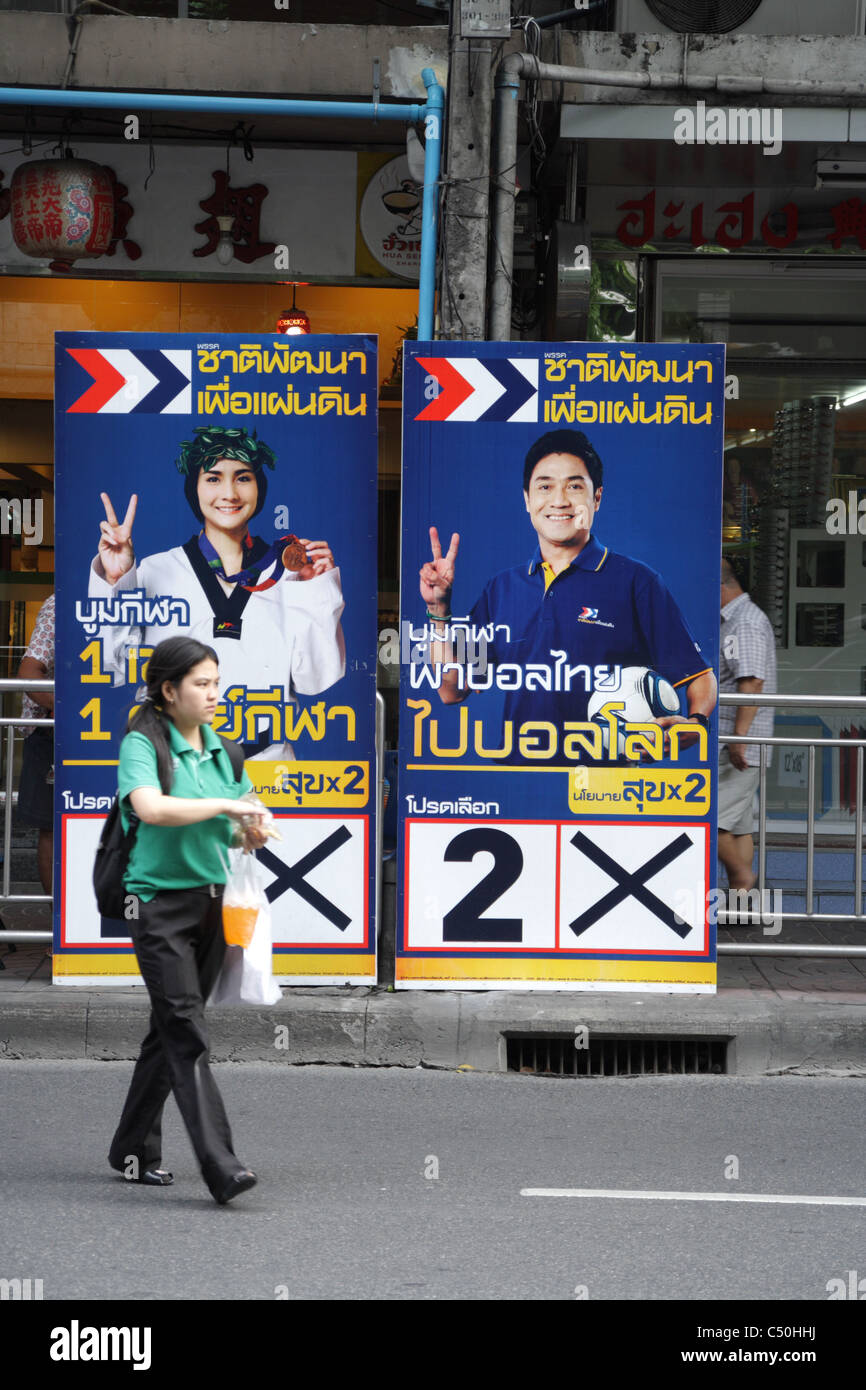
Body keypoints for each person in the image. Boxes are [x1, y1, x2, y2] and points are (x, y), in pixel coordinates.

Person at [418, 429, 716, 757]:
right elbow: (451, 691)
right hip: (517, 786)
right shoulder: (502, 590)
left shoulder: (636, 582)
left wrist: (695, 723)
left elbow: (700, 676)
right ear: (527, 500)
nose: (559, 500)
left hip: (606, 792)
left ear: (596, 498)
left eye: (574, 486)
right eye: (545, 486)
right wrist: (439, 611)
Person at [107, 636, 269, 1205]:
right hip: (157, 906)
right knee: (187, 1031)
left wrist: (250, 826)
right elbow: (151, 808)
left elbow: (234, 824)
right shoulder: (141, 743)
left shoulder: (223, 750)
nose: (214, 694)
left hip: (212, 903)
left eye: (216, 683)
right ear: (169, 689)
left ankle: (130, 1149)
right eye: (201, 684)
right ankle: (221, 1166)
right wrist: (227, 806)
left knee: (169, 1031)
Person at [88, 425, 345, 758]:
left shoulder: (287, 574)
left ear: (259, 487)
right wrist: (116, 577)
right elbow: (113, 665)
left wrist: (316, 591)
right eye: (213, 478)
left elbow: (316, 680)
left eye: (242, 477)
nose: (229, 493)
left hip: (266, 767)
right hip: (173, 763)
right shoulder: (154, 570)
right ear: (193, 488)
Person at [718, 557, 777, 891]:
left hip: (736, 746)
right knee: (739, 828)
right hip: (736, 743)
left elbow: (751, 681)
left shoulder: (745, 622)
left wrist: (738, 739)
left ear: (721, 585)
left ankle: (744, 880)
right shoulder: (736, 619)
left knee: (709, 820)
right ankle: (742, 905)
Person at [17, 593, 55, 895]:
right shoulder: (62, 603)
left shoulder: (139, 600)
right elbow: (29, 671)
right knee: (52, 827)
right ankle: (58, 932)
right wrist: (64, 705)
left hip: (118, 730)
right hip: (53, 733)